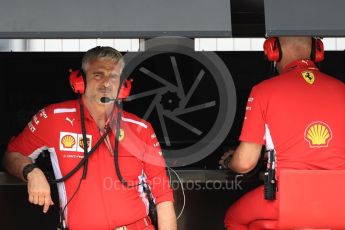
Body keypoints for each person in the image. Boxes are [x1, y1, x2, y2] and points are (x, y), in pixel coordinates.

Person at [3, 46, 177, 230]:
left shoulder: (140, 129)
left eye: (113, 76)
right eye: (98, 75)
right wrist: (31, 171)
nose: (106, 83)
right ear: (80, 81)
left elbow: (163, 197)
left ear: (123, 85)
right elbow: (12, 155)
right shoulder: (53, 118)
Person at [219, 36, 345, 229]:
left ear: (272, 50)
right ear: (318, 50)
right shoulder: (342, 89)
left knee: (234, 218)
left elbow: (244, 163)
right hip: (339, 203)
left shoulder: (264, 91)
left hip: (288, 200)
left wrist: (229, 161)